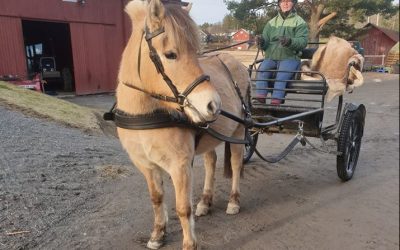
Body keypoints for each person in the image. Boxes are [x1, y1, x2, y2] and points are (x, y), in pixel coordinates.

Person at [256, 0, 309, 105]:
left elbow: (302, 42)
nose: (285, 3)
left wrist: (290, 42)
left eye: (288, 1)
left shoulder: (299, 22)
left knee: (282, 76)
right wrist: (261, 42)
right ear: (279, 4)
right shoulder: (271, 23)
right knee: (262, 71)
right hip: (271, 56)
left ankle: (275, 102)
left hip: (290, 57)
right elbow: (265, 43)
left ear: (293, 3)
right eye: (282, 1)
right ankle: (259, 100)